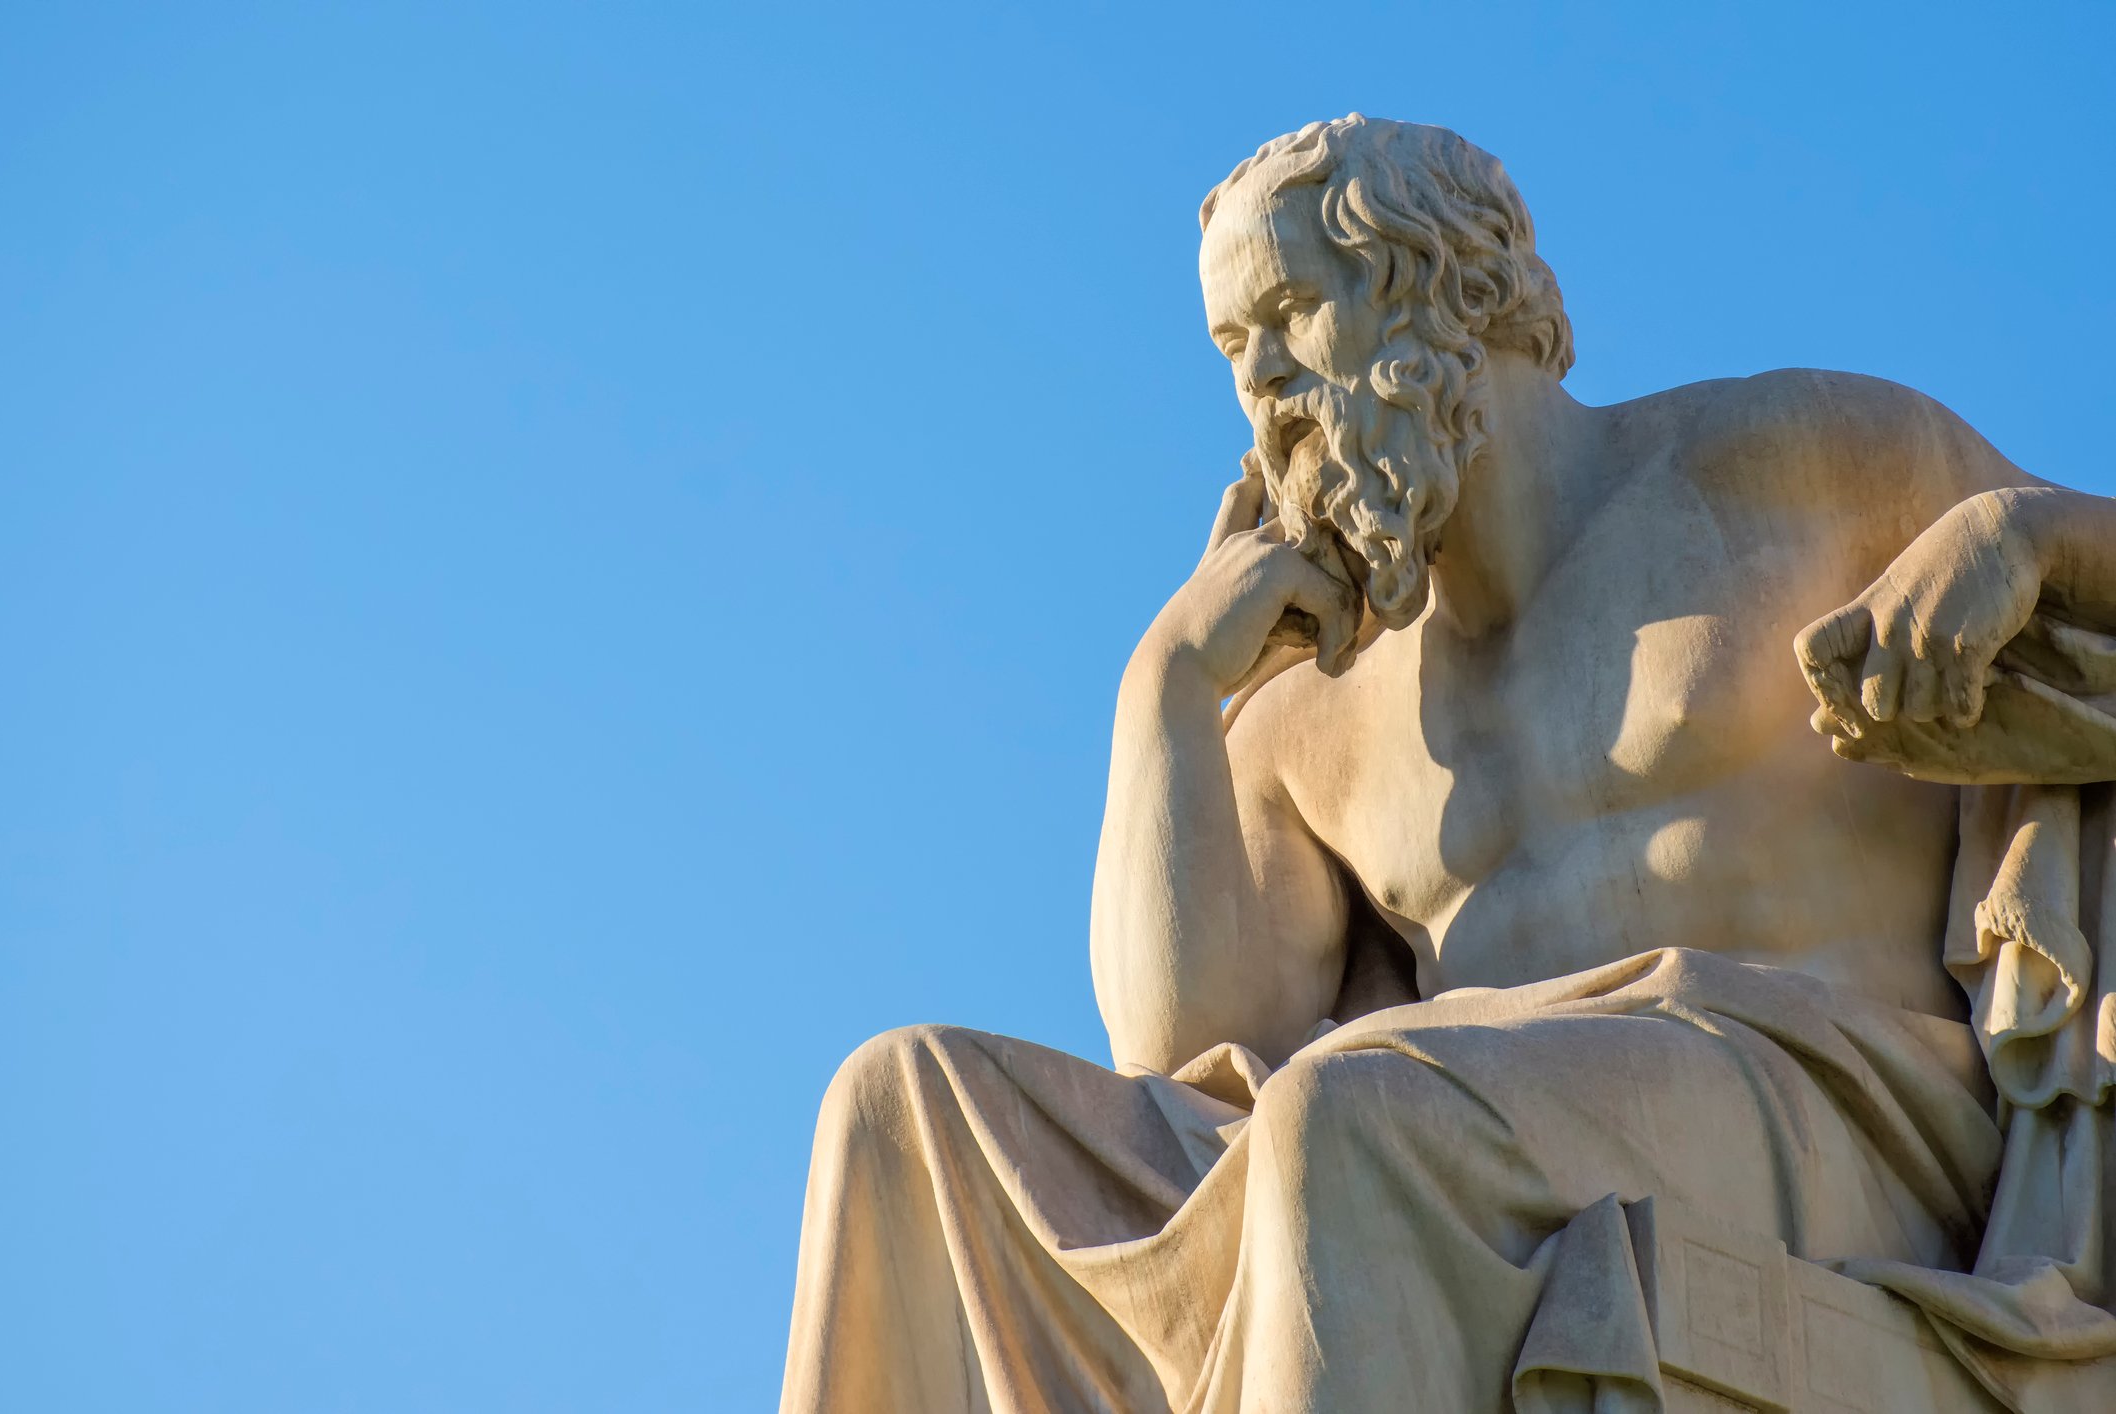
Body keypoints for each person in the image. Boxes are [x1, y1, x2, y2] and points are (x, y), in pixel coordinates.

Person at [780, 115, 2116, 1412]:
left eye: (1293, 314)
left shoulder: (1786, 462)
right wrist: (1171, 688)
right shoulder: (1311, 686)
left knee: (1349, 1119)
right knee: (901, 1111)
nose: (1260, 390)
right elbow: (1182, 1055)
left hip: (1827, 1099)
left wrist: (2027, 539)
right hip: (1453, 1113)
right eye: (1231, 347)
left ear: (1448, 292)